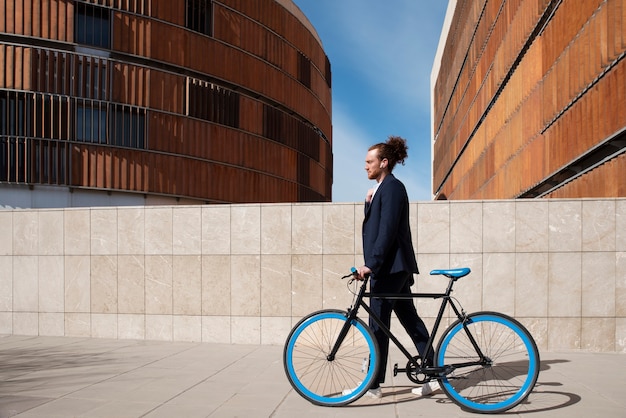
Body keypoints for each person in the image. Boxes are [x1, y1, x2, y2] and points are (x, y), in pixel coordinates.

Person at [353, 136, 440, 399]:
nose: (365, 166)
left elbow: (387, 231)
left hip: (389, 268)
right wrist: (370, 201)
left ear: (384, 162)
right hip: (395, 268)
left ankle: (374, 384)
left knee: (377, 324)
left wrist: (371, 264)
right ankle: (435, 375)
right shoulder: (383, 189)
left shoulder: (392, 187)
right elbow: (380, 224)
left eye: (370, 161)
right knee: (409, 320)